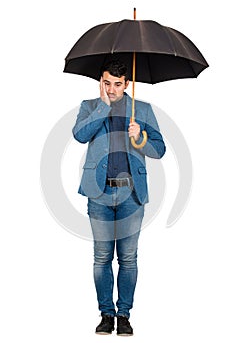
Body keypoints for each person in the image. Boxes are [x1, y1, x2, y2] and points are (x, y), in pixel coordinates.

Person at [72, 60, 166, 336]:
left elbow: (158, 150)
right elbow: (79, 135)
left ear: (127, 84)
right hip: (99, 193)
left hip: (131, 193)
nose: (111, 89)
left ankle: (123, 314)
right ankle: (105, 314)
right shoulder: (89, 106)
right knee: (102, 257)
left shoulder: (143, 110)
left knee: (128, 258)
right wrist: (103, 106)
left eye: (117, 84)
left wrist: (141, 137)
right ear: (100, 81)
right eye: (106, 83)